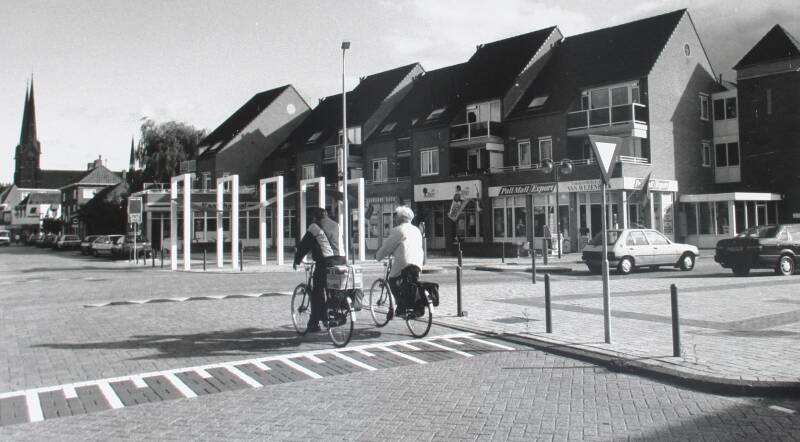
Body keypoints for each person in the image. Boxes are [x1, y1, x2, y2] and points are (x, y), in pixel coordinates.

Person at [293, 207, 345, 332]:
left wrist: (297, 260)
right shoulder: (337, 225)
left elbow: (304, 245)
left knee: (317, 291)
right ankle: (315, 321)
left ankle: (322, 317)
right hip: (342, 260)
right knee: (334, 287)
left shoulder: (314, 226)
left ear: (315, 217)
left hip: (325, 262)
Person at [375, 206, 424, 317]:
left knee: (392, 280)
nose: (394, 219)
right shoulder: (416, 230)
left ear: (400, 218)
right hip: (418, 262)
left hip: (405, 262)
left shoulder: (398, 230)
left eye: (395, 216)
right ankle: (412, 306)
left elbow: (387, 247)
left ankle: (401, 307)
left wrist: (378, 256)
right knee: (411, 283)